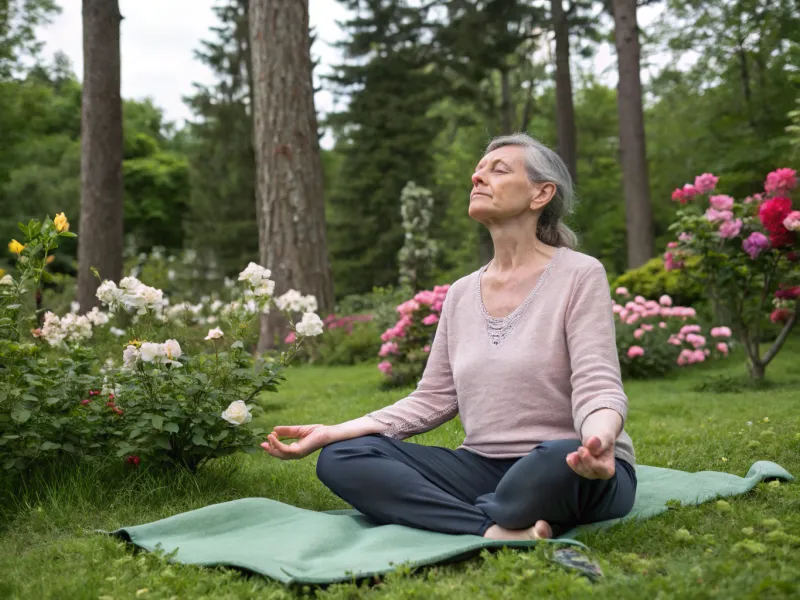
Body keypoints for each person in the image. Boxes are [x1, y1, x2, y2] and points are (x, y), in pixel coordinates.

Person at [261, 133, 637, 541]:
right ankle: (494, 528)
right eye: (478, 170)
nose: (478, 177)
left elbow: (597, 384)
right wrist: (337, 431)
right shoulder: (460, 293)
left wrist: (599, 440)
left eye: (498, 169)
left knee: (549, 462)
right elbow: (433, 398)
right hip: (481, 466)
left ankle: (454, 511)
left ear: (541, 193)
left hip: (571, 462)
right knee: (341, 458)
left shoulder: (579, 274)